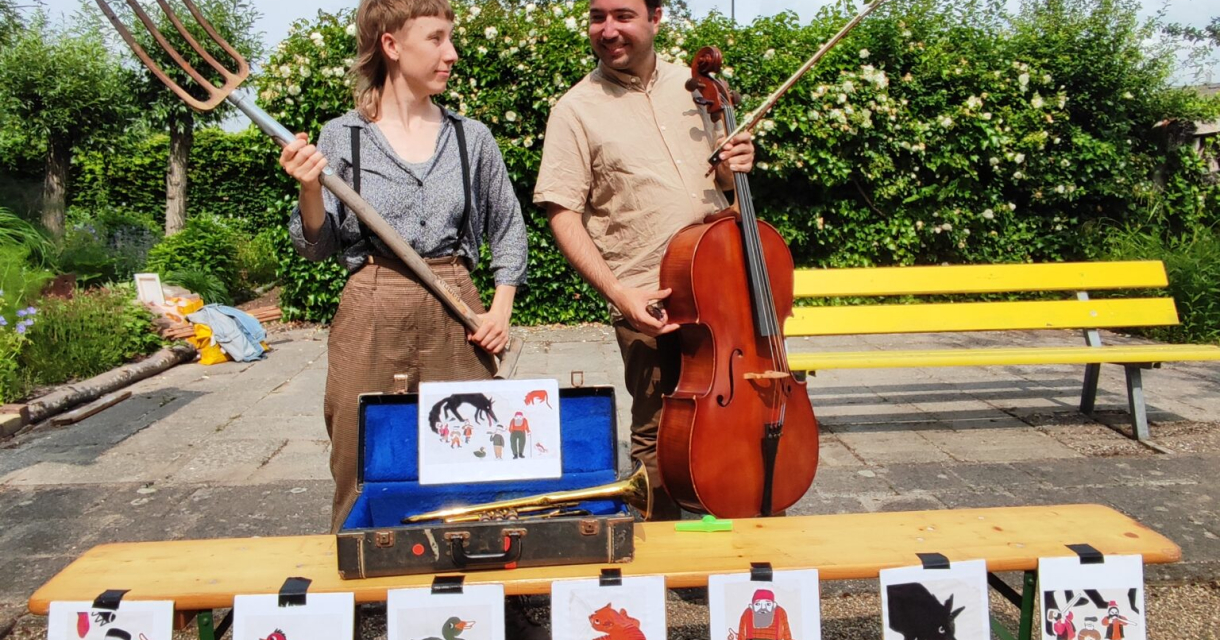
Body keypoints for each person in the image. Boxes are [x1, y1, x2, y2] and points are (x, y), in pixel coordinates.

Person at [279, 0, 527, 534]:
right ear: (391, 46)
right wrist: (308, 189)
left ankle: (477, 583)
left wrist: (500, 309)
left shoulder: (471, 138)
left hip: (457, 304)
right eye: (436, 39)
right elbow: (316, 246)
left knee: (472, 454)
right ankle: (362, 582)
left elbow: (509, 228)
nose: (452, 54)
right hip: (372, 301)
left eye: (450, 39)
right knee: (360, 452)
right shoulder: (340, 138)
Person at [534, 0, 754, 519]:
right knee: (660, 435)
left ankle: (751, 536)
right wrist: (618, 294)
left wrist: (736, 166)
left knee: (744, 415)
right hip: (650, 298)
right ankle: (663, 567)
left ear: (656, 18)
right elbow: (561, 212)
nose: (607, 30)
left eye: (622, 16)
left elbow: (722, 181)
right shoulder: (575, 109)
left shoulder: (696, 89)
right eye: (597, 16)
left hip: (726, 290)